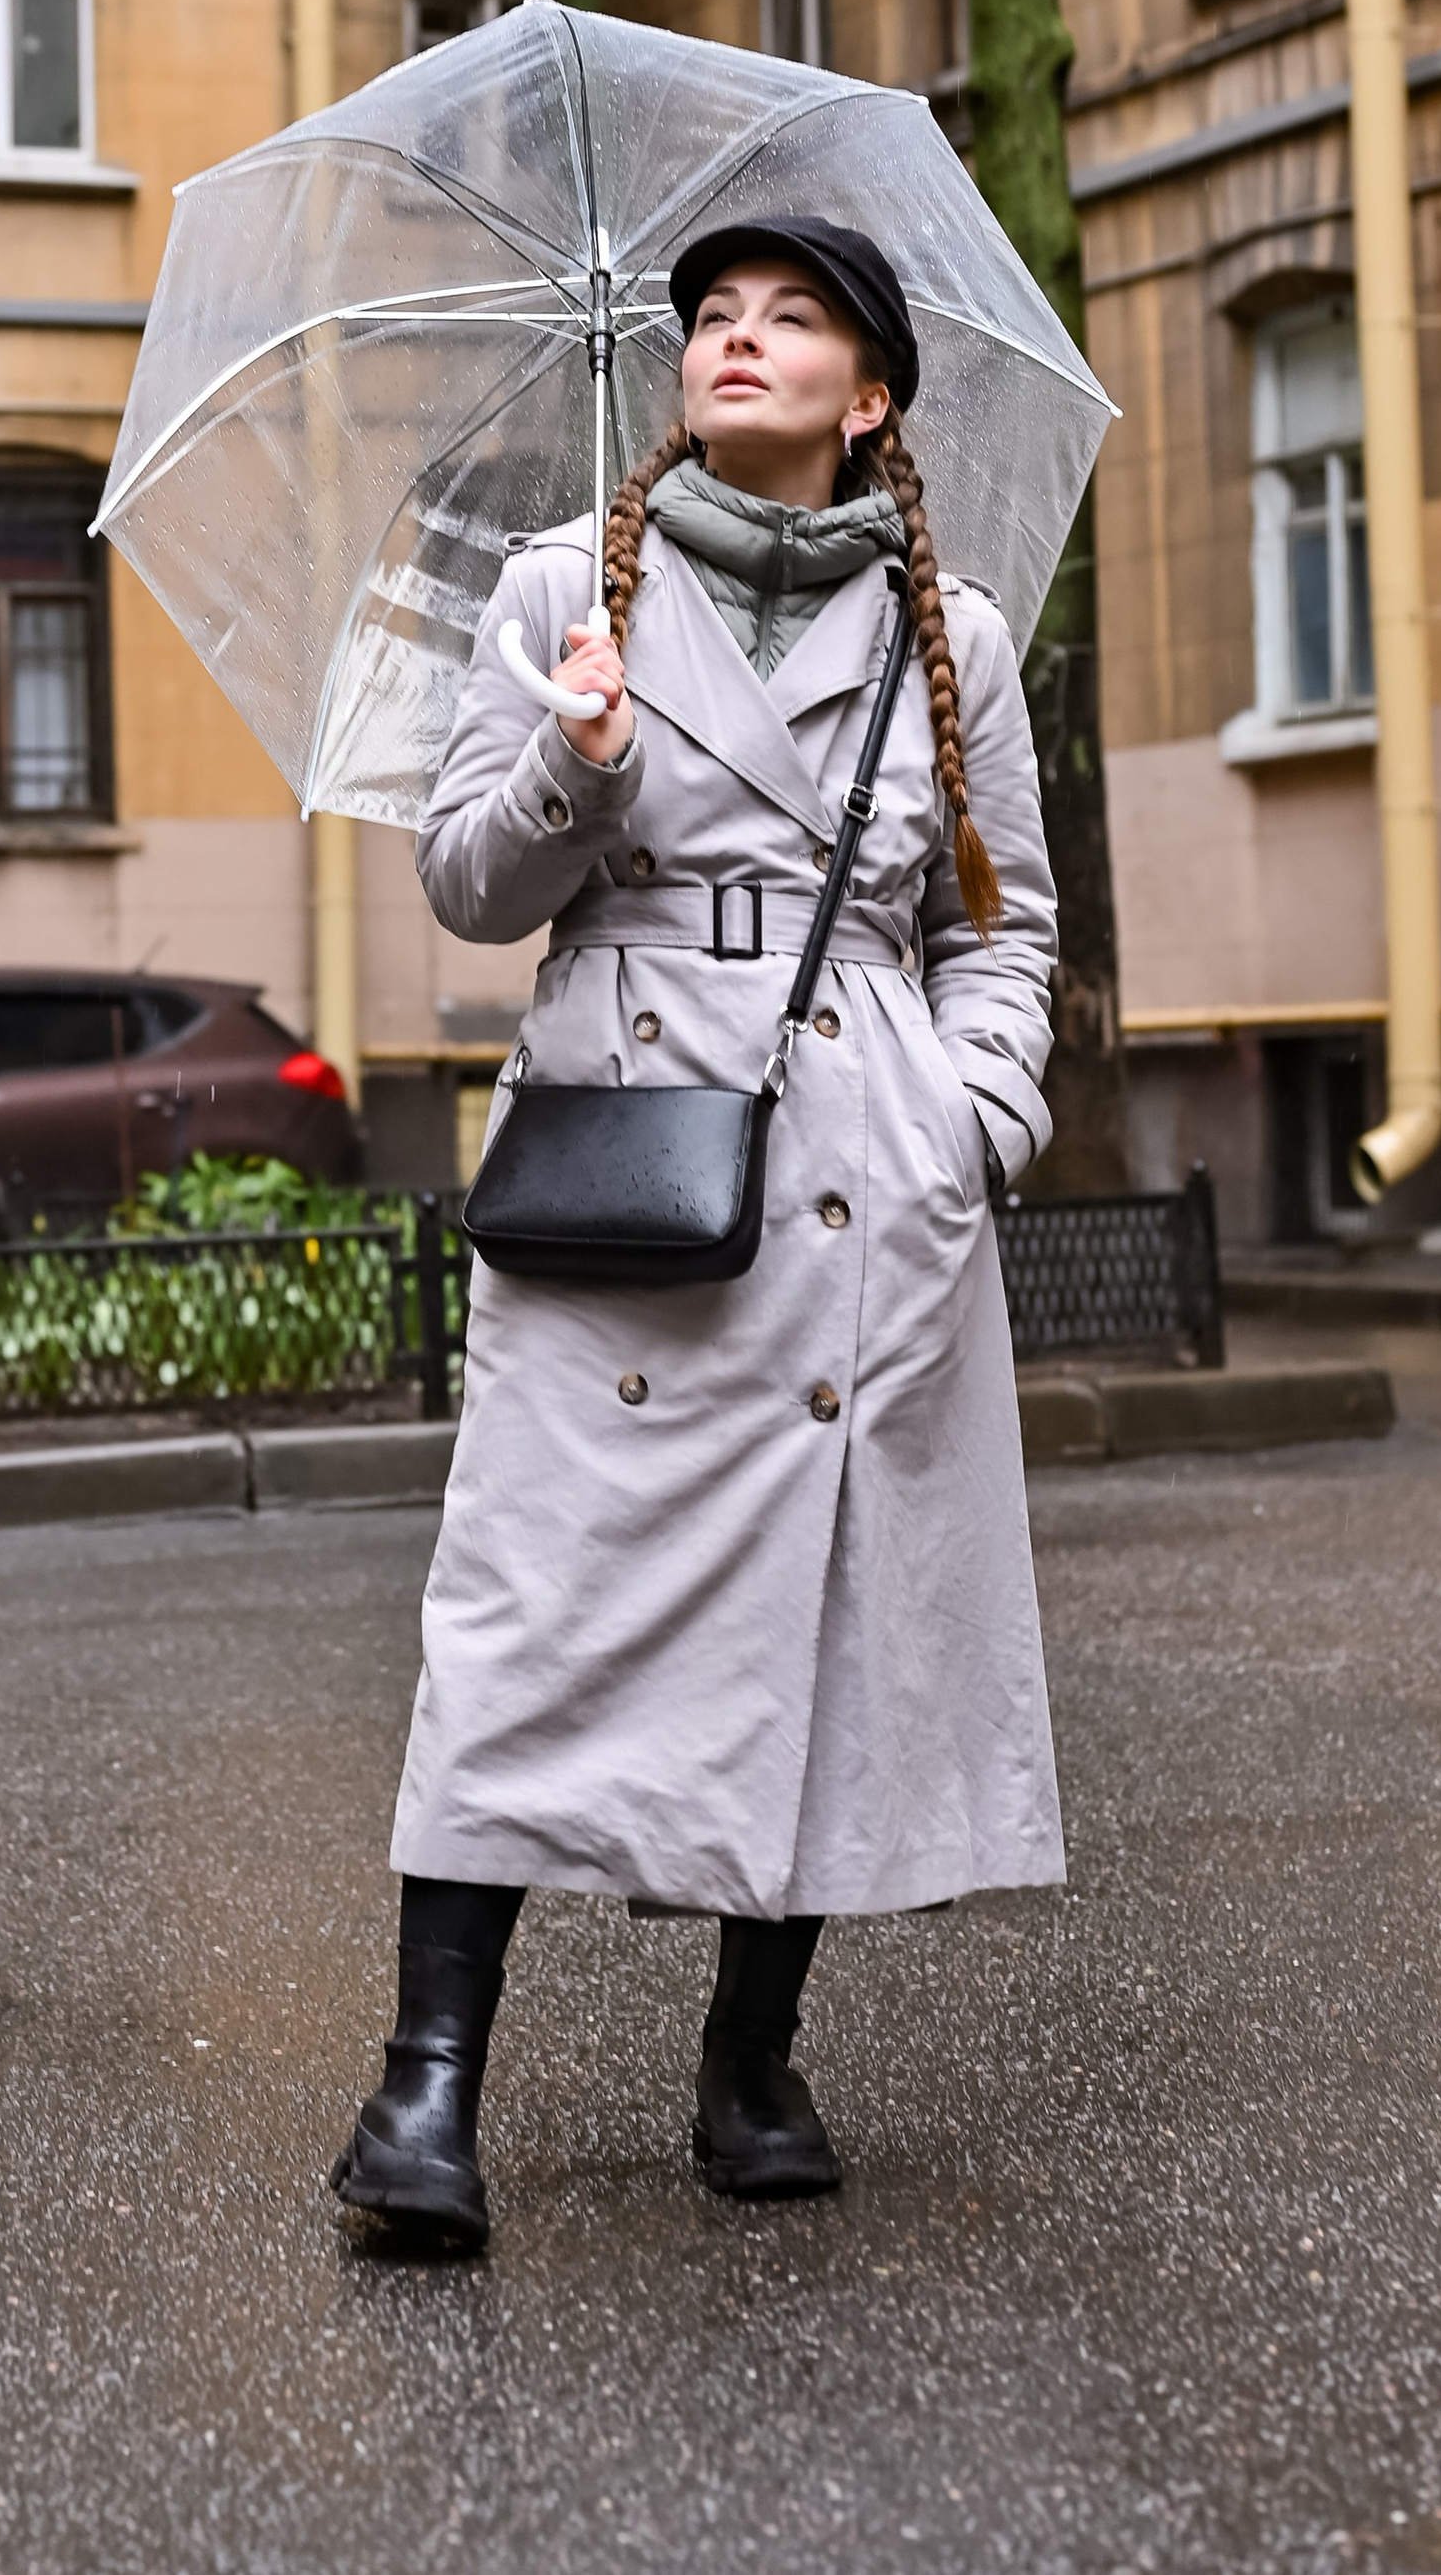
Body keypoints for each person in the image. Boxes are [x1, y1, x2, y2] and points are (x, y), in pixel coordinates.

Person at [331, 217, 1063, 2249]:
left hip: (853, 1165)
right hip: (625, 1154)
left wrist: (971, 1115)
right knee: (518, 1605)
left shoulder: (952, 631)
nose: (736, 342)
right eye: (711, 321)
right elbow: (468, 888)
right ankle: (422, 2089)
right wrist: (576, 761)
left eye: (789, 319)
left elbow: (997, 927)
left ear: (870, 393)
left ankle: (749, 2053)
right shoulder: (564, 582)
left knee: (814, 1617)